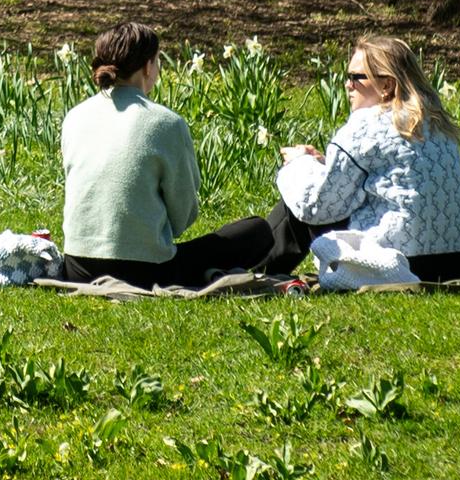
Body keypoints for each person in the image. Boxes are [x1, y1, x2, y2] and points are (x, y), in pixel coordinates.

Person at [54, 21, 301, 288]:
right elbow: (182, 217)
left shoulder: (74, 117)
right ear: (148, 66)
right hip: (144, 273)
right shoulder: (166, 122)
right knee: (256, 231)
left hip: (77, 268)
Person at [275, 33, 460, 286]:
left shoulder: (365, 125)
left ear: (387, 86)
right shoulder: (436, 122)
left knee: (300, 193)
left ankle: (253, 269)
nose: (348, 85)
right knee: (316, 182)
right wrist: (322, 164)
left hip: (396, 265)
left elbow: (314, 206)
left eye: (356, 78)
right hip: (453, 265)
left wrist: (298, 163)